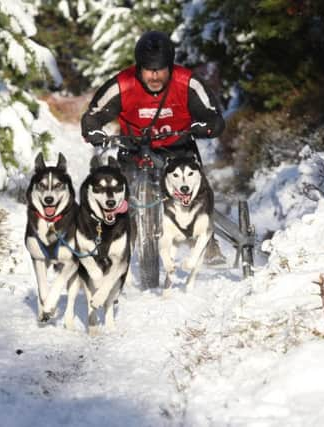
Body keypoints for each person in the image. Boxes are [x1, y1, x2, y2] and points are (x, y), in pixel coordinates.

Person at [81, 30, 226, 264]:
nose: (155, 76)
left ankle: (206, 242)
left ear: (171, 66)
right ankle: (119, 250)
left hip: (179, 153)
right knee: (119, 199)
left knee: (196, 194)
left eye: (160, 70)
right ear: (139, 68)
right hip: (134, 151)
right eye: (149, 70)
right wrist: (94, 131)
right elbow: (92, 116)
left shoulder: (188, 82)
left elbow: (214, 117)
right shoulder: (122, 84)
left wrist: (205, 127)